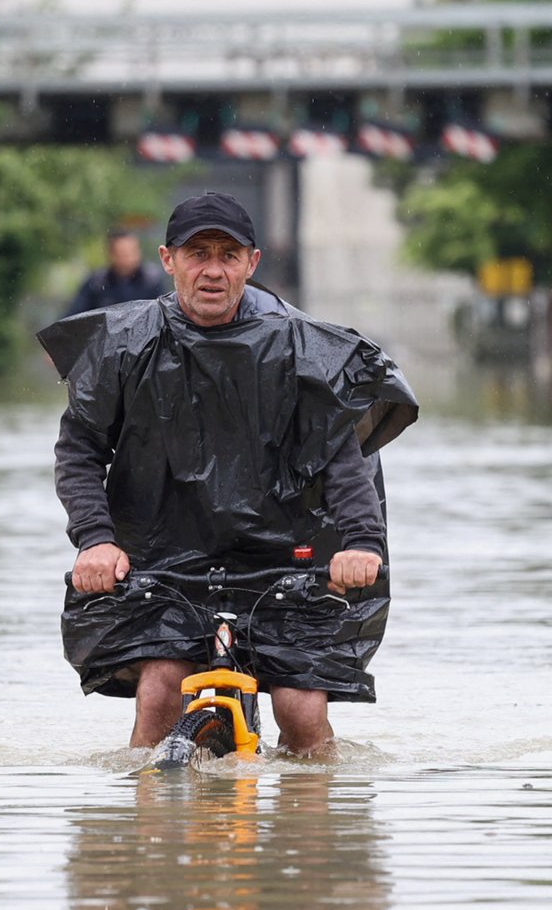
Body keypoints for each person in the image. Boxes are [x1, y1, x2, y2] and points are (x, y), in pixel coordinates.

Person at [38, 192, 417, 756]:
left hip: (284, 559)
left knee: (302, 711)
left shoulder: (302, 351)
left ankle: (313, 834)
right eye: (197, 254)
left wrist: (360, 543)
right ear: (168, 260)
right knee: (160, 695)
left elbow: (342, 459)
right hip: (164, 561)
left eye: (228, 255)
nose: (212, 270)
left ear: (252, 262)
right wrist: (95, 540)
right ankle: (135, 841)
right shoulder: (123, 346)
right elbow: (80, 451)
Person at [60, 229, 165, 318]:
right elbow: (75, 316)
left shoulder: (151, 282)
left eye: (132, 252)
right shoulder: (97, 283)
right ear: (111, 254)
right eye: (123, 253)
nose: (128, 258)